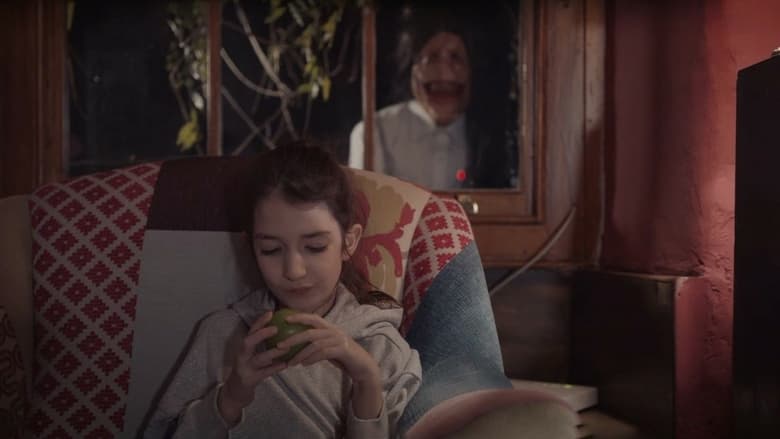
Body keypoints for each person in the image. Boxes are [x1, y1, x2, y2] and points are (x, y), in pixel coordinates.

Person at [144, 142, 422, 438]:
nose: (293, 271)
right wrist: (230, 399)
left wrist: (367, 381)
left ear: (349, 241)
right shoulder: (221, 334)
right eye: (271, 250)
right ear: (252, 247)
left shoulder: (381, 348)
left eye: (315, 247)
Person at [349, 5, 513, 190]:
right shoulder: (375, 133)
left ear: (473, 71)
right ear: (412, 69)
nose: (444, 71)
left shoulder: (492, 138)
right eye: (432, 57)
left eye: (456, 57)